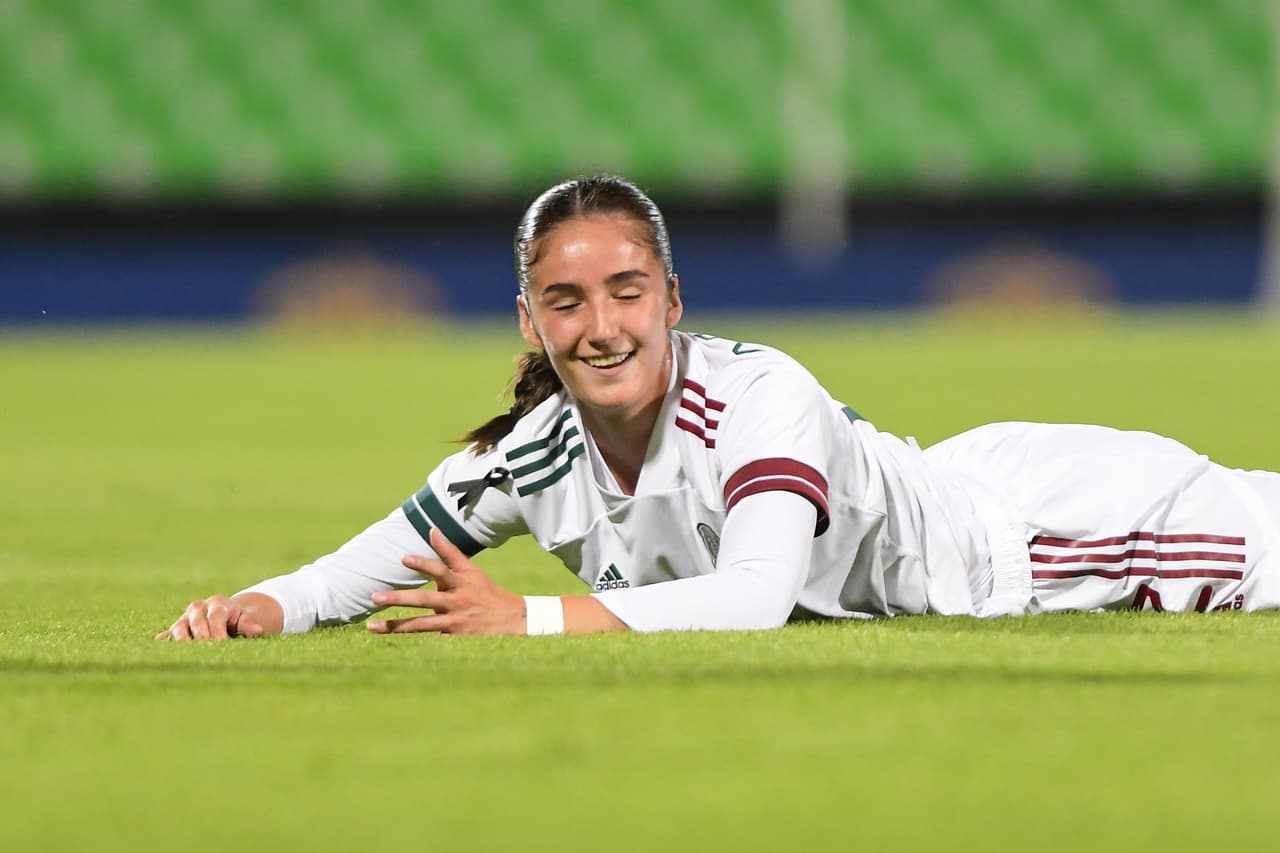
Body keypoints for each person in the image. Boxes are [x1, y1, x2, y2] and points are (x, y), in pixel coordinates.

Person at [157, 176, 1280, 640]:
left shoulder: (758, 396)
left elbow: (754, 596)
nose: (600, 325)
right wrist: (261, 608)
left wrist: (528, 620)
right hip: (972, 489)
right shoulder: (534, 454)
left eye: (625, 291)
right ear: (528, 323)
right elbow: (379, 557)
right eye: (565, 300)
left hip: (1057, 535)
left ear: (672, 300)